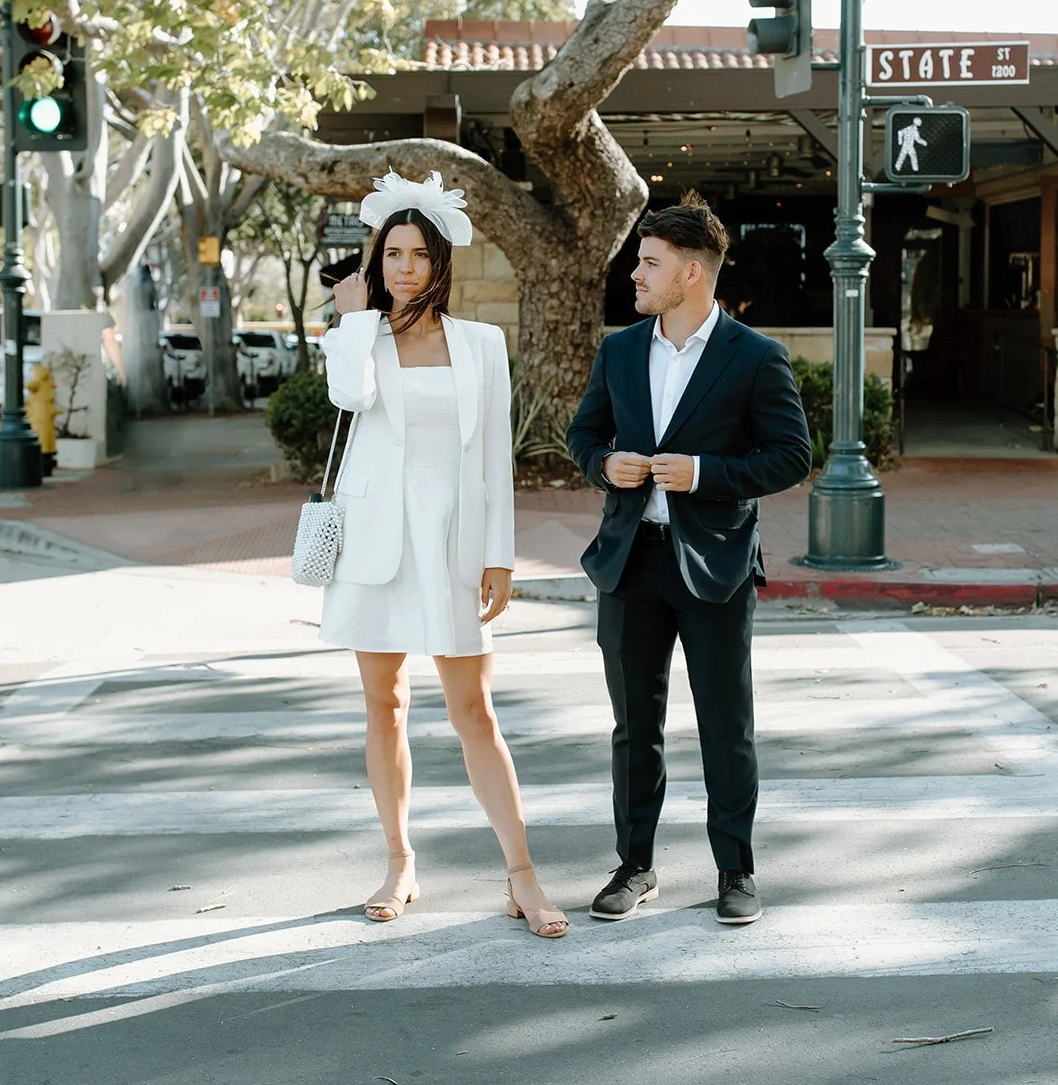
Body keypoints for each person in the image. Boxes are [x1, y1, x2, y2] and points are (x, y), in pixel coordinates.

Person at [320, 170, 567, 938]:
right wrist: (354, 321)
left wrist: (501, 554)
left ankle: (522, 876)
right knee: (383, 706)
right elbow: (348, 397)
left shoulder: (481, 344)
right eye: (391, 253)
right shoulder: (357, 338)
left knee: (474, 712)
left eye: (417, 254)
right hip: (375, 547)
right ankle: (399, 861)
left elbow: (494, 456)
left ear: (439, 263)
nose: (403, 267)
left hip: (452, 543)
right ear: (376, 261)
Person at [567, 195, 812, 928]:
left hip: (716, 565)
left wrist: (703, 474)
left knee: (724, 725)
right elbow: (584, 436)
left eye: (649, 262)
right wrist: (606, 464)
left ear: (693, 271)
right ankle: (635, 866)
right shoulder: (618, 350)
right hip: (630, 562)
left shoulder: (757, 356)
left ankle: (736, 871)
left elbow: (791, 456)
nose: (635, 275)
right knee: (633, 726)